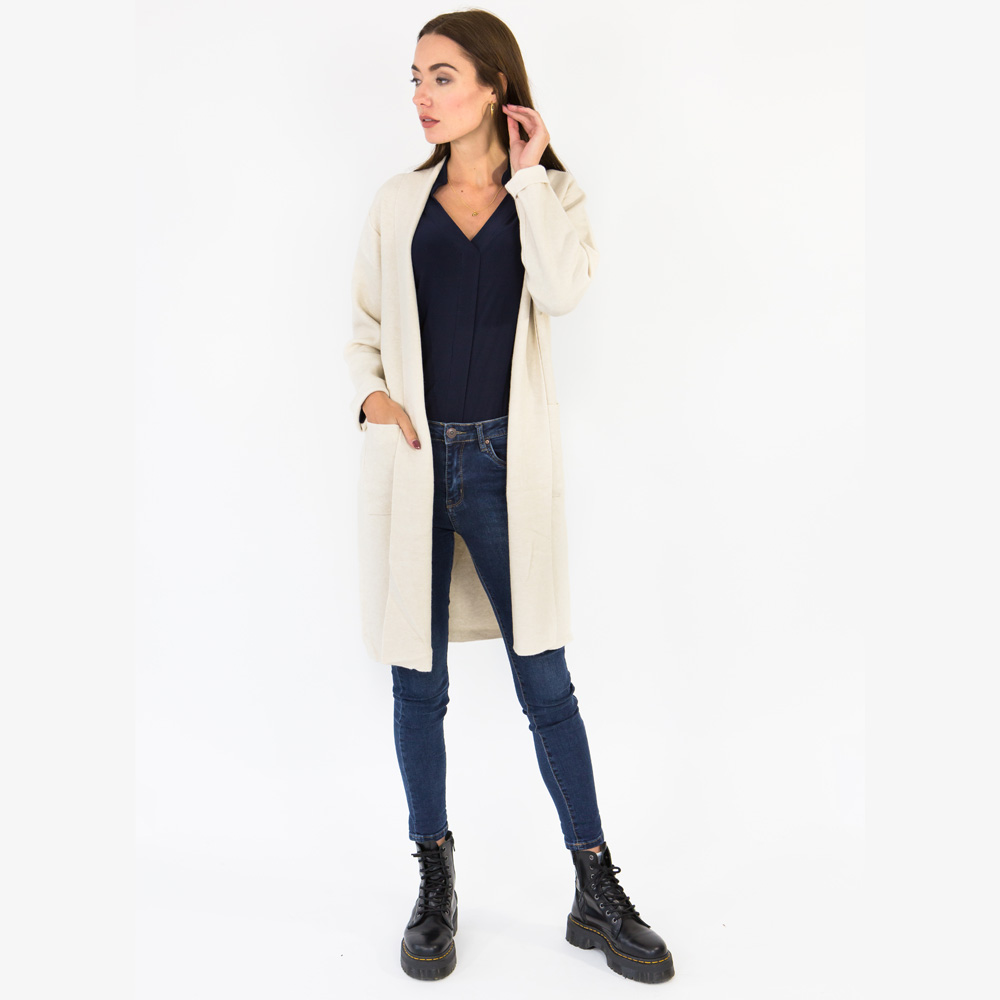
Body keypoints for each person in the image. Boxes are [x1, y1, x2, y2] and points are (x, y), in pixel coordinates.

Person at [343, 9, 674, 985]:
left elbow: (563, 291)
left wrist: (528, 176)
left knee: (545, 682)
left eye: (441, 77)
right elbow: (363, 325)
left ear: (494, 86)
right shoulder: (396, 203)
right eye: (414, 78)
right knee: (418, 683)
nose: (420, 96)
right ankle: (435, 879)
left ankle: (594, 885)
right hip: (415, 461)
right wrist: (369, 396)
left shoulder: (551, 194)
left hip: (501, 463)